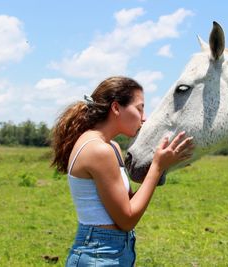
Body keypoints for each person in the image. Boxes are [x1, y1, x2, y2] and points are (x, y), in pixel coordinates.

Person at [51, 76, 194, 266]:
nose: (144, 117)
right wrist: (157, 167)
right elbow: (127, 220)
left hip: (113, 251)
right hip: (99, 254)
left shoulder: (111, 147)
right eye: (139, 108)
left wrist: (162, 165)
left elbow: (127, 205)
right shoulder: (98, 150)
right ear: (116, 108)